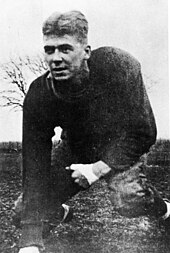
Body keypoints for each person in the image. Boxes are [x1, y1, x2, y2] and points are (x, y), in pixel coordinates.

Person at [17, 10, 170, 253]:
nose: (55, 58)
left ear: (86, 51)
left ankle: (163, 209)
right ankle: (61, 212)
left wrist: (97, 169)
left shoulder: (119, 66)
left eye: (65, 49)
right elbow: (35, 165)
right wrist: (29, 242)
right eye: (49, 50)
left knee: (129, 199)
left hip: (121, 145)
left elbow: (143, 131)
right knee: (22, 212)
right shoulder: (39, 95)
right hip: (75, 149)